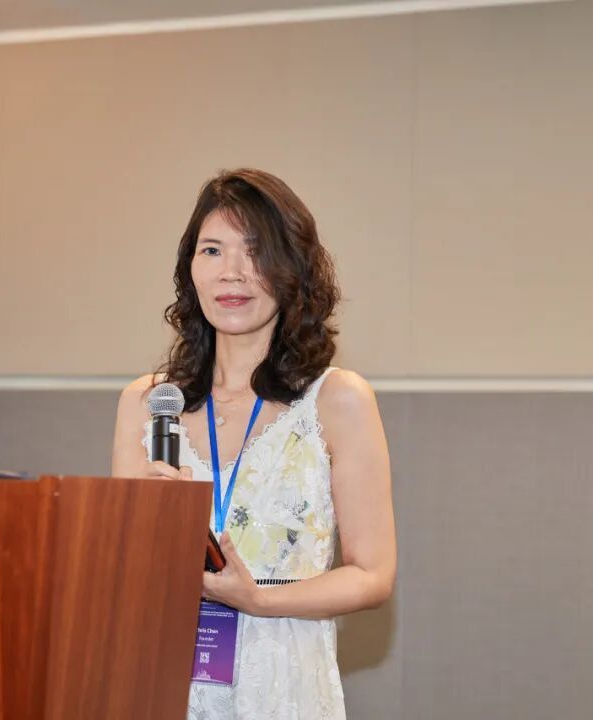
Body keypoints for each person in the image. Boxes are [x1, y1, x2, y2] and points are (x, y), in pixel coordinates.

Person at [111, 168, 396, 719]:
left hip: (284, 690)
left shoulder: (337, 400)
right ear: (190, 268)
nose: (232, 272)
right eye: (212, 250)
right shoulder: (147, 405)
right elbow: (123, 578)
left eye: (256, 251)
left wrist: (259, 599)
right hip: (163, 686)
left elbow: (373, 575)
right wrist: (139, 528)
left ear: (293, 269)